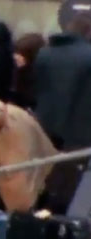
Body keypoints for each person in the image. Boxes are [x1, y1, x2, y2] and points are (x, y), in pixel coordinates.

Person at [32, 12, 91, 151]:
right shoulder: (88, 55)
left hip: (46, 131)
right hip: (80, 137)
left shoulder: (44, 53)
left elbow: (37, 90)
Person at [11, 33, 46, 111]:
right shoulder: (17, 73)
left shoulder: (41, 78)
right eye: (16, 52)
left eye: (21, 54)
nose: (15, 57)